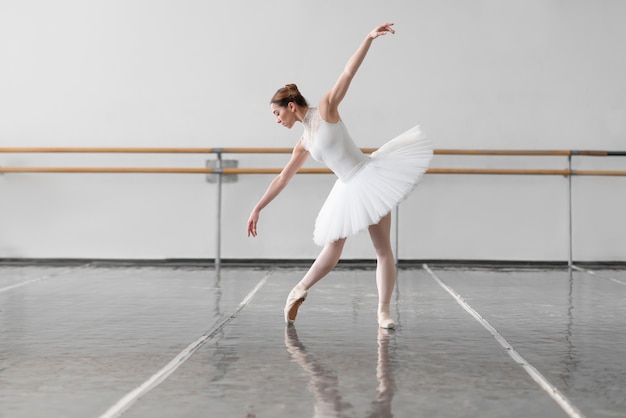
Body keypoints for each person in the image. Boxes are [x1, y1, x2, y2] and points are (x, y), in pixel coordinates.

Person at [247, 23, 433, 329]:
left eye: (277, 114)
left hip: (369, 176)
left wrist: (368, 39)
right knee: (333, 248)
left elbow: (348, 73)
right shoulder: (303, 142)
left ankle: (383, 312)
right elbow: (282, 179)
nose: (277, 120)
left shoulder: (326, 110)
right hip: (346, 188)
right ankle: (299, 290)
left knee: (382, 248)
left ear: (291, 107)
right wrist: (257, 208)